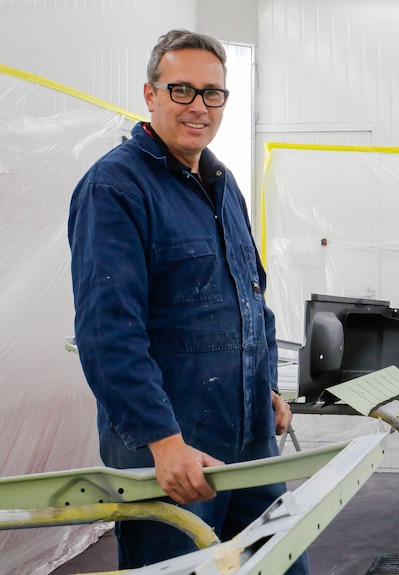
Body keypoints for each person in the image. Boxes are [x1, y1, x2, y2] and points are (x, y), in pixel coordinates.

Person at [67, 29, 310, 573]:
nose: (199, 106)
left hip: (249, 434)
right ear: (150, 95)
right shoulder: (115, 188)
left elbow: (252, 298)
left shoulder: (224, 184)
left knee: (278, 561)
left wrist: (266, 384)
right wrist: (162, 440)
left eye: (212, 92)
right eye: (181, 90)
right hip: (174, 444)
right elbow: (109, 332)